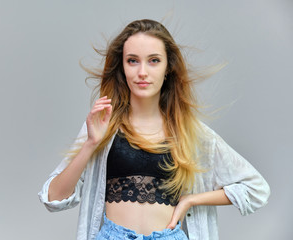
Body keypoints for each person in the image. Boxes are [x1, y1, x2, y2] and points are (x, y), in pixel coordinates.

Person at [38, 19, 270, 240]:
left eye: (154, 60)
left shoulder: (191, 133)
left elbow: (256, 189)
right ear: (122, 67)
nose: (142, 72)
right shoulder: (102, 126)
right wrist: (90, 144)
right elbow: (53, 199)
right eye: (132, 60)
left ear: (168, 67)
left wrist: (191, 200)